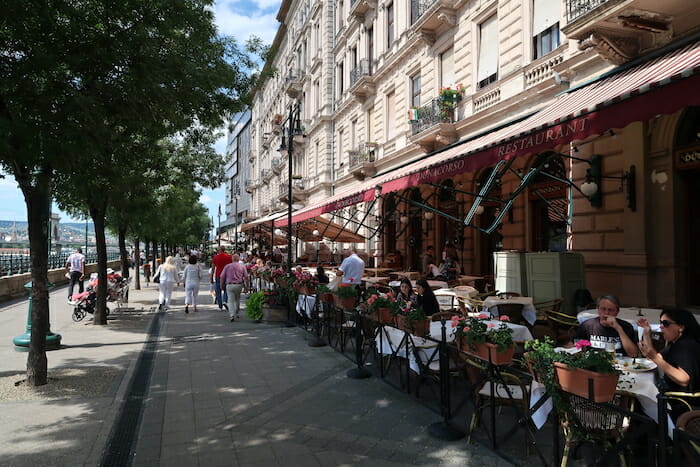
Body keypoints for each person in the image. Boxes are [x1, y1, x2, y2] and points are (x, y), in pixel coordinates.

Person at [638, 308, 700, 400]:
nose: (661, 327)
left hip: (681, 401)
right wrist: (647, 333)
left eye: (666, 324)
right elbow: (653, 358)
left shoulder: (686, 346)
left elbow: (684, 380)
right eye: (661, 323)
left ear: (681, 327)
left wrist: (655, 358)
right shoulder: (676, 343)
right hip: (672, 395)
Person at [573, 295, 638, 356]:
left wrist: (618, 328)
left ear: (617, 312)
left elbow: (633, 354)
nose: (606, 313)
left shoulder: (626, 327)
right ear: (598, 309)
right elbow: (575, 348)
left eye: (610, 310)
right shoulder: (587, 325)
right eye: (603, 309)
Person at [220, 253, 249, 322]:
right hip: (239, 284)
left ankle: (232, 315)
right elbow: (246, 277)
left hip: (229, 285)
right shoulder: (242, 266)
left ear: (232, 259)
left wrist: (221, 285)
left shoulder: (227, 266)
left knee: (230, 300)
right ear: (238, 259)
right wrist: (247, 286)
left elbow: (222, 276)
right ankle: (237, 312)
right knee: (237, 299)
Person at [212, 246, 233, 312]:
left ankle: (220, 306)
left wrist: (211, 277)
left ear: (219, 250)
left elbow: (213, 268)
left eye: (217, 250)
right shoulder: (229, 257)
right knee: (227, 289)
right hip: (227, 275)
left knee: (218, 290)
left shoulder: (216, 257)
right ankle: (225, 300)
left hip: (218, 275)